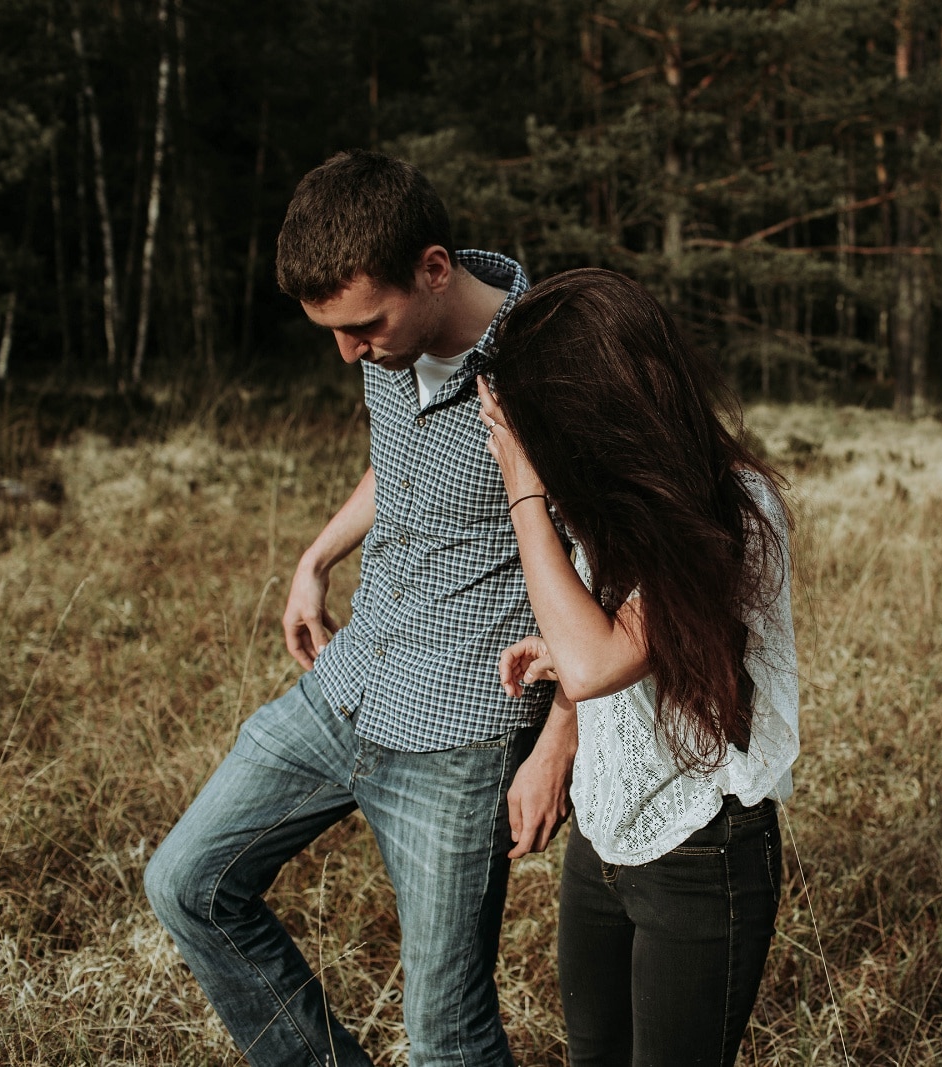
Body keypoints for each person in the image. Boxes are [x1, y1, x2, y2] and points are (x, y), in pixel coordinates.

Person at [143, 150, 577, 1067]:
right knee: (188, 881)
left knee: (446, 1037)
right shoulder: (395, 338)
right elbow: (405, 459)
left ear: (432, 267)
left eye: (362, 326)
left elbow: (615, 566)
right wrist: (315, 556)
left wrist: (561, 738)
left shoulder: (558, 367)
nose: (348, 352)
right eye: (333, 332)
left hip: (460, 730)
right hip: (350, 677)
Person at [476, 268, 800, 1066]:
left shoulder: (738, 507)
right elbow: (620, 641)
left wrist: (524, 492)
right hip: (603, 828)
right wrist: (562, 676)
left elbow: (601, 660)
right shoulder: (620, 497)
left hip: (701, 850)